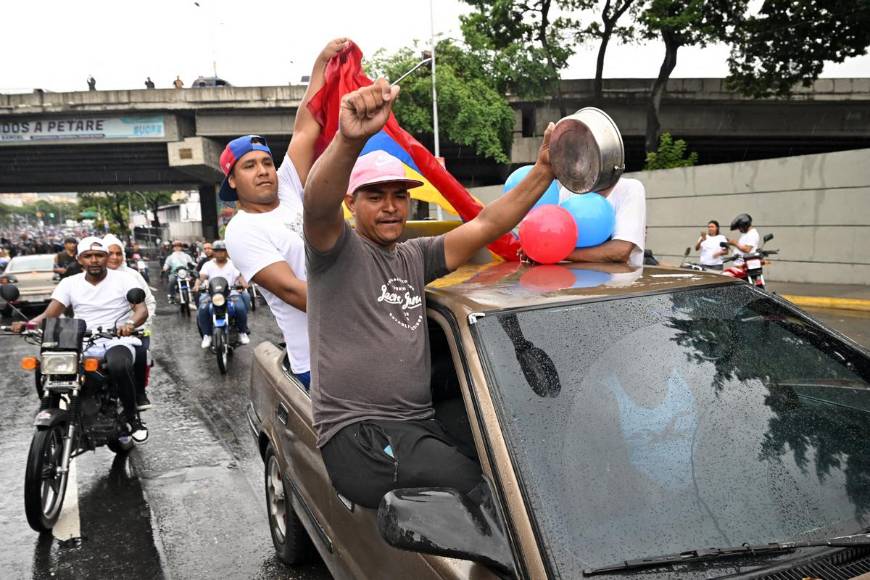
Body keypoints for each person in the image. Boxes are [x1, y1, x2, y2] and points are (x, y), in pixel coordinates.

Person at [303, 77, 556, 509]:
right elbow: (316, 205)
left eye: (399, 196)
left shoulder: (414, 256)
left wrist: (543, 171)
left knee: (513, 461)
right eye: (376, 196)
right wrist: (349, 140)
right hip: (359, 437)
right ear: (352, 202)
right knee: (486, 492)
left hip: (418, 426)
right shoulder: (335, 251)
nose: (390, 206)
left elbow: (485, 225)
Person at [224, 38, 350, 390]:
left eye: (267, 162)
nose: (264, 170)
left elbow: (305, 128)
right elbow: (294, 291)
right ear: (232, 180)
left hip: (360, 341)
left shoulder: (291, 187)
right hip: (321, 361)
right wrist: (368, 307)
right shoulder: (242, 230)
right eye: (249, 166)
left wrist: (320, 65)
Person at [13, 237, 149, 443]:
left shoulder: (124, 279)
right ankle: (59, 410)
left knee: (118, 364)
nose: (94, 260)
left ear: (106, 258)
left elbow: (141, 310)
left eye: (99, 255)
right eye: (88, 256)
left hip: (117, 339)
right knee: (45, 366)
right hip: (80, 340)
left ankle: (132, 417)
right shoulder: (69, 283)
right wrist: (29, 325)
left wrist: (129, 324)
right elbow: (50, 314)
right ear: (79, 260)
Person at [104, 234, 157, 410]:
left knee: (141, 353)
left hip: (135, 330)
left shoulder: (132, 276)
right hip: (102, 333)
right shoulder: (91, 277)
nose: (114, 257)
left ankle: (140, 393)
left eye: (118, 253)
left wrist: (140, 324)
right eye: (109, 253)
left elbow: (148, 302)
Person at [560, 179, 647, 267]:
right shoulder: (568, 190)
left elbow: (620, 251)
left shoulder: (630, 188)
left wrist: (558, 254)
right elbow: (559, 240)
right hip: (573, 276)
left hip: (617, 278)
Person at [194, 240, 251, 348]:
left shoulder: (233, 264)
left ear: (227, 252)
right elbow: (201, 277)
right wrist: (197, 285)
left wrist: (244, 284)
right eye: (217, 251)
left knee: (240, 308)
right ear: (214, 252)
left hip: (231, 294)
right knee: (203, 308)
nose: (220, 253)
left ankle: (242, 332)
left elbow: (240, 276)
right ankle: (207, 335)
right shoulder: (208, 264)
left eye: (222, 251)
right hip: (212, 294)